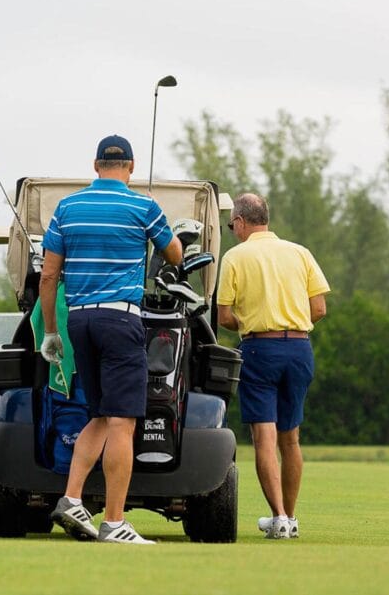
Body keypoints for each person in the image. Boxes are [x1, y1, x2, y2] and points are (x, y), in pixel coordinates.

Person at [39, 135, 182, 545]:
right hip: (120, 320)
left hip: (79, 322)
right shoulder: (143, 206)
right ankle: (114, 522)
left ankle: (71, 497)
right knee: (123, 421)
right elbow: (173, 254)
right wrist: (157, 217)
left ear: (95, 165)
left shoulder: (67, 207)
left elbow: (49, 276)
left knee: (99, 415)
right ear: (131, 167)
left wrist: (51, 330)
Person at [216, 193, 329, 540]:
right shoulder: (300, 252)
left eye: (231, 223)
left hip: (259, 350)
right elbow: (319, 308)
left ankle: (278, 516)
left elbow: (223, 317)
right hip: (299, 348)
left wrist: (251, 321)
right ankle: (290, 518)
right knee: (290, 439)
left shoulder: (235, 256)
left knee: (264, 437)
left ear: (240, 221)